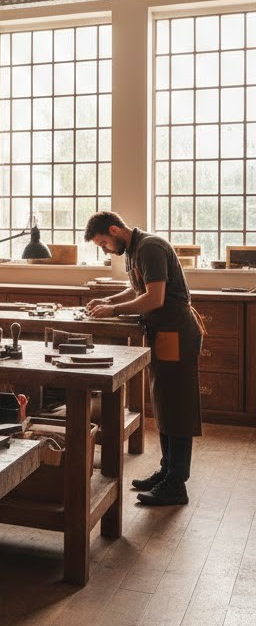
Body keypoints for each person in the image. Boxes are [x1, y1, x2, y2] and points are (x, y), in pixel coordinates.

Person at [84, 211, 204, 506]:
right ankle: (167, 472)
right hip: (163, 332)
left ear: (114, 230)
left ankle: (176, 484)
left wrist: (113, 311)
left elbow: (154, 298)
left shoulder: (150, 247)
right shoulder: (133, 249)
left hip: (176, 331)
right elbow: (138, 288)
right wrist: (109, 299)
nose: (105, 250)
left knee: (177, 405)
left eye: (103, 244)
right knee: (164, 402)